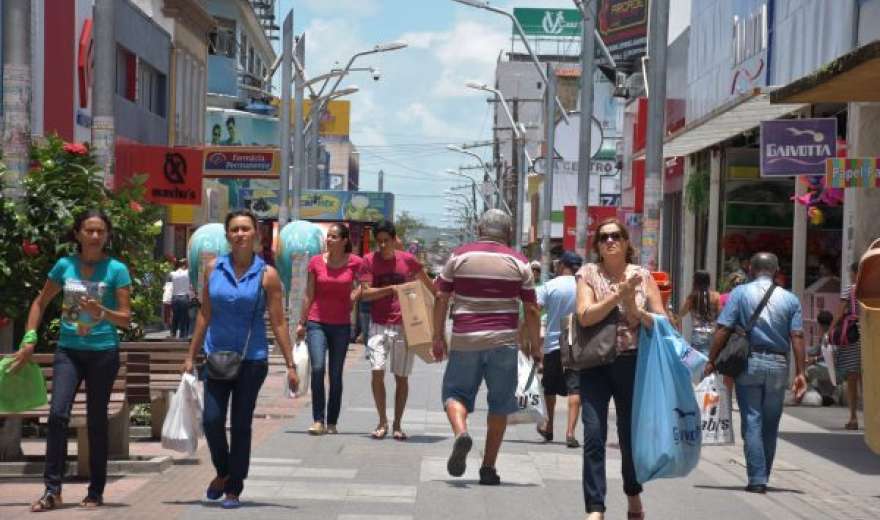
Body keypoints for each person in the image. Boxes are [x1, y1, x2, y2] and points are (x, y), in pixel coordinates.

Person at [10, 210, 132, 512]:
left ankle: (95, 491)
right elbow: (40, 302)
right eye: (89, 230)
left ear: (107, 235)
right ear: (77, 234)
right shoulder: (64, 265)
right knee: (57, 416)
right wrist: (29, 339)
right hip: (69, 352)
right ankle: (52, 491)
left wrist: (102, 312)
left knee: (96, 420)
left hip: (103, 352)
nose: (95, 236)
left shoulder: (116, 269)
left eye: (100, 231)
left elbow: (125, 319)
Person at [183, 210, 297, 509]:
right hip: (216, 356)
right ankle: (223, 472)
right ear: (227, 235)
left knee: (241, 423)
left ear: (256, 234)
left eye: (245, 229)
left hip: (252, 359)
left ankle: (234, 487)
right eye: (234, 229)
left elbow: (279, 321)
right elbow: (205, 314)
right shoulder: (213, 268)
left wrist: (291, 364)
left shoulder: (267, 275)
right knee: (212, 420)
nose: (240, 234)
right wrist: (191, 355)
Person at [432, 209, 542, 486]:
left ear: (480, 229)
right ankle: (488, 468)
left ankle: (461, 432)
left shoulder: (459, 256)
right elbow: (531, 309)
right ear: (508, 232)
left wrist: (437, 336)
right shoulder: (520, 262)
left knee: (455, 393)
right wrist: (535, 346)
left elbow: (440, 298)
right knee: (500, 405)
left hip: (465, 339)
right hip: (504, 342)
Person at [575, 218, 665, 520]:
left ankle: (633, 494)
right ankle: (595, 508)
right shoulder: (587, 274)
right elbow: (584, 316)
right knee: (593, 435)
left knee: (629, 437)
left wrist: (635, 308)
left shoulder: (643, 276)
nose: (610, 241)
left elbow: (661, 321)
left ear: (627, 242)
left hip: (632, 363)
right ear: (598, 246)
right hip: (594, 363)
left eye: (615, 236)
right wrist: (618, 295)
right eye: (603, 238)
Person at [704, 252, 807, 494]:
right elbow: (797, 336)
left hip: (749, 363)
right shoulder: (790, 299)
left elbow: (723, 328)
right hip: (778, 365)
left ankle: (757, 478)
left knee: (752, 419)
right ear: (777, 270)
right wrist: (801, 372)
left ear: (750, 269)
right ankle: (763, 475)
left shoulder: (740, 293)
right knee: (770, 424)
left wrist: (711, 360)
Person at [360, 220, 435, 440]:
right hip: (378, 324)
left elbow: (430, 286)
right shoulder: (368, 261)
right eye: (379, 241)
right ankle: (382, 421)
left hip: (404, 325)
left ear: (394, 240)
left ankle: (398, 424)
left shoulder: (408, 260)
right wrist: (390, 289)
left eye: (386, 241)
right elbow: (365, 293)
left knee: (401, 377)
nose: (383, 245)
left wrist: (442, 304)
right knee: (377, 370)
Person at [296, 223, 363, 435]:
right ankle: (318, 419)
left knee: (335, 374)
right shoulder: (316, 262)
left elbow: (367, 282)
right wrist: (302, 322)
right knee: (317, 368)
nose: (329, 240)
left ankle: (332, 421)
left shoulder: (355, 262)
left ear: (344, 241)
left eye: (334, 237)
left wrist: (354, 295)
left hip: (341, 325)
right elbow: (309, 294)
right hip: (316, 322)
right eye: (329, 236)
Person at [535, 251, 584, 448]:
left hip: (553, 343)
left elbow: (534, 310)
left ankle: (549, 426)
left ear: (562, 265)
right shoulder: (584, 286)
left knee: (550, 387)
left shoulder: (549, 286)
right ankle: (570, 432)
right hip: (576, 342)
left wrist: (531, 340)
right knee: (575, 387)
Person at [831, 261, 862, 430]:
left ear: (855, 273)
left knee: (852, 378)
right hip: (871, 335)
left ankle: (853, 418)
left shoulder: (850, 289)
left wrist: (830, 330)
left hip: (853, 336)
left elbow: (840, 312)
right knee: (869, 379)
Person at [676, 270, 721, 356]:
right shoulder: (716, 296)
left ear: (696, 282)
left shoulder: (693, 297)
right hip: (712, 334)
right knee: (710, 360)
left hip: (698, 334)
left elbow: (681, 314)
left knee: (697, 360)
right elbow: (720, 315)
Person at [805, 310, 836, 404]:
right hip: (829, 367)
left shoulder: (829, 336)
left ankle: (805, 393)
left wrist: (814, 359)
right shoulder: (826, 335)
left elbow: (831, 354)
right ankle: (825, 395)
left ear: (822, 325)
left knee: (808, 372)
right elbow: (817, 349)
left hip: (831, 367)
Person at [169, 258, 193, 339]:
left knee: (175, 316)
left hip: (174, 297)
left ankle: (173, 333)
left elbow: (168, 286)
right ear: (185, 265)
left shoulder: (172, 274)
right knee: (184, 317)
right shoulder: (188, 273)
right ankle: (183, 335)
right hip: (184, 297)